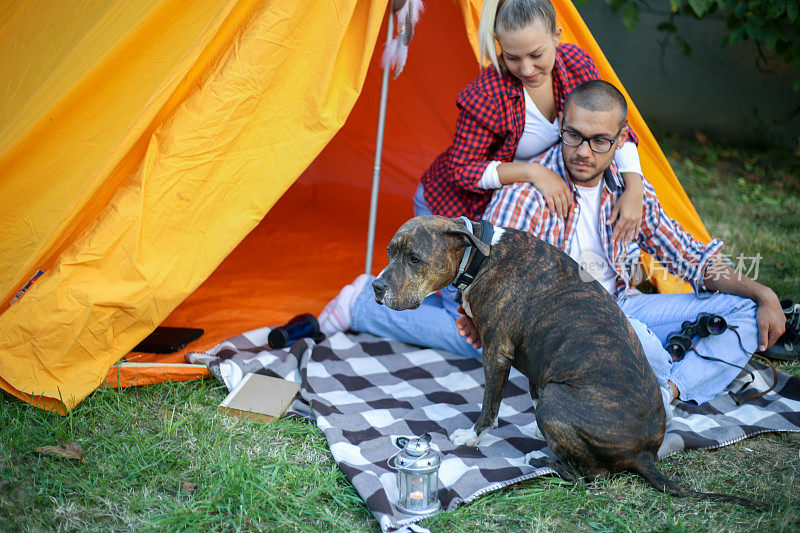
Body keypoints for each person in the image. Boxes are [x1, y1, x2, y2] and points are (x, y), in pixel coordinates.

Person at [416, 0, 644, 247]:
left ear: (556, 36)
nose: (526, 69)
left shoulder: (575, 64)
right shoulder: (487, 94)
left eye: (536, 55)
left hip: (520, 202)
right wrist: (534, 172)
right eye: (512, 57)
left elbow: (612, 126)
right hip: (453, 206)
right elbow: (461, 170)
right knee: (449, 283)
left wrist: (634, 188)